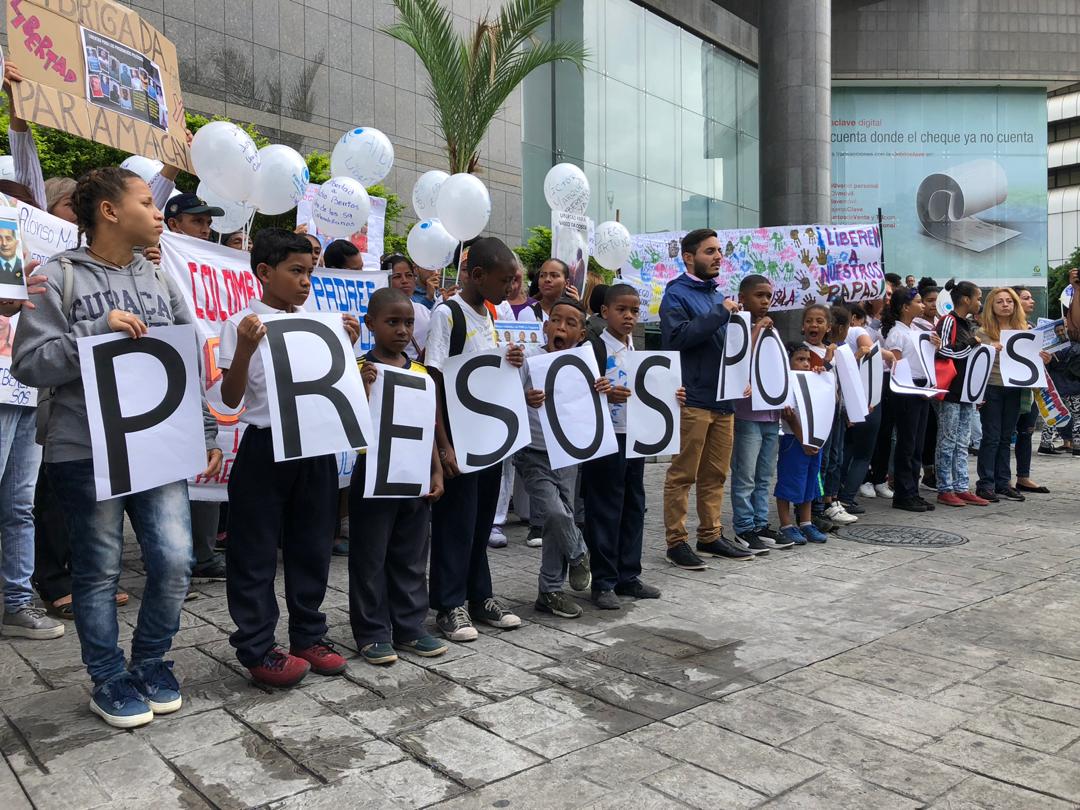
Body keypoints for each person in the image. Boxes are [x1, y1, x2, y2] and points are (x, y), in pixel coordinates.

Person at [11, 167, 222, 727]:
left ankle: (151, 660)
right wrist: (96, 330)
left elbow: (186, 363)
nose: (160, 214)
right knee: (99, 570)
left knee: (175, 561)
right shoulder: (55, 276)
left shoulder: (159, 280)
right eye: (148, 203)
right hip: (84, 451)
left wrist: (204, 431)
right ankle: (107, 677)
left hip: (157, 447)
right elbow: (31, 364)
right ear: (109, 211)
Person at [218, 228, 359, 687]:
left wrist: (348, 344)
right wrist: (244, 347)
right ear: (264, 272)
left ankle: (308, 635)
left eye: (309, 272)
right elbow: (230, 397)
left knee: (312, 547)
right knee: (255, 552)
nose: (304, 281)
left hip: (314, 446)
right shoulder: (242, 323)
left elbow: (333, 386)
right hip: (263, 448)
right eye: (295, 271)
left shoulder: (318, 323)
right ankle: (258, 648)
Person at [426, 237, 523, 641]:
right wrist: (443, 446)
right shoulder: (448, 314)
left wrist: (509, 360)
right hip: (459, 440)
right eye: (505, 281)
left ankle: (479, 594)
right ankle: (449, 605)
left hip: (487, 440)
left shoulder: (490, 315)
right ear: (478, 275)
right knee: (455, 523)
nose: (511, 288)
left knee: (481, 521)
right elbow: (433, 379)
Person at [350, 288, 447, 665]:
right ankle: (372, 632)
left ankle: (410, 626)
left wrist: (437, 468)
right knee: (370, 557)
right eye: (392, 322)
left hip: (414, 476)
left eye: (408, 322)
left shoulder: (422, 373)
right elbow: (348, 422)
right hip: (373, 477)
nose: (403, 330)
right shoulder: (359, 368)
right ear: (371, 323)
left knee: (410, 555)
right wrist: (362, 387)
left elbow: (431, 424)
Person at [660, 228, 749, 569]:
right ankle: (676, 541)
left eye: (719, 251)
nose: (717, 256)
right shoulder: (676, 295)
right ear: (688, 257)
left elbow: (728, 349)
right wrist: (720, 314)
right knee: (683, 474)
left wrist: (742, 378)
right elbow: (676, 339)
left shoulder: (717, 296)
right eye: (709, 251)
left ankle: (710, 535)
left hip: (723, 400)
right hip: (694, 398)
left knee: (716, 474)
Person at [582, 285, 672, 609]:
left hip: (636, 434)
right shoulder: (593, 348)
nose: (629, 316)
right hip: (607, 436)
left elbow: (651, 390)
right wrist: (602, 390)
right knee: (606, 507)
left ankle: (628, 576)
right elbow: (579, 389)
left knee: (635, 503)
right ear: (605, 312)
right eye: (622, 310)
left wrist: (673, 396)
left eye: (634, 310)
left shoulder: (637, 349)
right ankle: (603, 580)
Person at [516, 297, 598, 618]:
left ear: (581, 334)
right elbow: (506, 398)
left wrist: (601, 388)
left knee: (555, 522)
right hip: (532, 451)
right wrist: (523, 396)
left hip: (568, 452)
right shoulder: (527, 359)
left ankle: (550, 591)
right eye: (556, 320)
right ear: (546, 325)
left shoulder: (583, 363)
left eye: (570, 323)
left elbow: (588, 405)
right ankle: (579, 553)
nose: (561, 327)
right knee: (553, 511)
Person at [728, 275, 793, 554]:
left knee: (765, 474)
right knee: (746, 475)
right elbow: (738, 361)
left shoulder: (772, 331)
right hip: (746, 414)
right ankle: (743, 528)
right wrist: (756, 330)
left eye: (768, 296)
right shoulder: (737, 327)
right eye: (759, 295)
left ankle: (760, 523)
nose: (765, 301)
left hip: (771, 415)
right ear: (742, 298)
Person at [975, 287, 1039, 503]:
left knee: (1005, 437)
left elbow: (1033, 361)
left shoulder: (1025, 330)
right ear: (991, 306)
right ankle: (985, 484)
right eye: (1000, 301)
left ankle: (1003, 483)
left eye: (1009, 301)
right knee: (991, 437)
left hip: (1015, 388)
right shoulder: (982, 332)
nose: (1005, 304)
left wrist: (1043, 358)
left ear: (1015, 305)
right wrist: (988, 347)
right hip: (992, 387)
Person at [881, 287, 939, 512]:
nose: (922, 305)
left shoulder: (915, 329)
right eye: (917, 301)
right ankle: (904, 493)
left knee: (917, 442)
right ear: (905, 307)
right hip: (906, 389)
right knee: (907, 442)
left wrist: (934, 344)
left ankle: (912, 491)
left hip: (921, 388)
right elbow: (894, 364)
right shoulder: (897, 333)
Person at [800, 304, 852, 528]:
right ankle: (814, 507)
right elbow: (813, 377)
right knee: (819, 461)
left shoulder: (833, 350)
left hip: (835, 412)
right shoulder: (802, 352)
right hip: (817, 415)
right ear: (803, 326)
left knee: (834, 458)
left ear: (828, 327)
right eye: (810, 321)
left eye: (820, 321)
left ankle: (829, 500)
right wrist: (828, 360)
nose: (814, 325)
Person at [935, 279, 985, 505]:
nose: (979, 302)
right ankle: (945, 487)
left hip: (966, 392)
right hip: (950, 391)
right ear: (966, 299)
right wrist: (971, 344)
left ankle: (962, 485)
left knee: (963, 440)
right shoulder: (948, 321)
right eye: (978, 297)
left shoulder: (965, 323)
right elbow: (943, 351)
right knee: (948, 439)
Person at [773, 344, 829, 545]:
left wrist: (822, 376)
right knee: (789, 482)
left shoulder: (812, 380)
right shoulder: (787, 385)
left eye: (807, 360)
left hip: (814, 441)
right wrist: (804, 440)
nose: (806, 363)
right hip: (794, 441)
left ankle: (806, 522)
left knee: (810, 482)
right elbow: (789, 416)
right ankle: (786, 525)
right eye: (799, 359)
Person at [1011, 286, 1049, 493]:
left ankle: (1023, 477)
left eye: (1031, 298)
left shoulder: (1033, 327)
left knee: (1026, 432)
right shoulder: (1005, 328)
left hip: (1031, 389)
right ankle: (1000, 479)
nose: (1031, 301)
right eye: (1026, 298)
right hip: (1009, 389)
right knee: (1003, 435)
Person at [385, 254, 431, 361]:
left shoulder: (424, 311)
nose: (404, 281)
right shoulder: (379, 314)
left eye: (409, 275)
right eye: (397, 276)